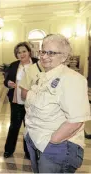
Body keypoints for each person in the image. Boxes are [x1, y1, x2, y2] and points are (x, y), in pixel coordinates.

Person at [23, 34, 91, 173]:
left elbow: (76, 121)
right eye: (43, 51)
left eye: (51, 53)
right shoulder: (43, 77)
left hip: (56, 147)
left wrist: (52, 142)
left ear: (64, 57)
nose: (44, 56)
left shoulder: (72, 79)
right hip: (36, 141)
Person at [3, 42, 38, 159]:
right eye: (19, 52)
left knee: (30, 127)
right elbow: (6, 80)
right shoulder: (14, 65)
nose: (21, 54)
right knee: (14, 126)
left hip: (33, 102)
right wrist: (8, 83)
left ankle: (29, 152)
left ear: (29, 52)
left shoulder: (37, 64)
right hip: (16, 101)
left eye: (24, 51)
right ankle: (8, 150)